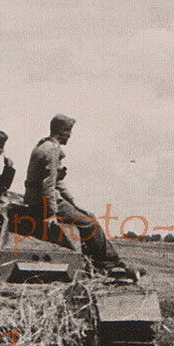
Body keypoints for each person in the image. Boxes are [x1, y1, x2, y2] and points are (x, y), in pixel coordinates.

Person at [19, 114, 122, 271]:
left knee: (87, 216)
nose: (70, 136)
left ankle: (100, 260)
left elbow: (58, 182)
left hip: (40, 199)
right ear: (61, 131)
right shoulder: (51, 151)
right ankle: (108, 263)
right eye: (69, 132)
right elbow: (48, 185)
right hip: (43, 202)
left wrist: (74, 204)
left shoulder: (44, 147)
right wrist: (51, 213)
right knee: (90, 224)